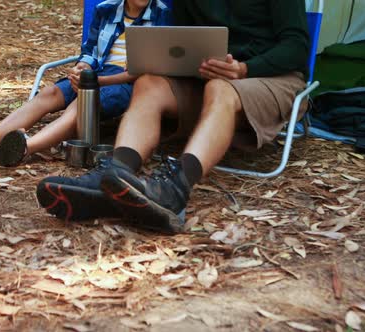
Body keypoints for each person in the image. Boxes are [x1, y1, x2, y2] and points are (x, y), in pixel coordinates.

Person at [36, 0, 310, 233]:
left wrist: (244, 69)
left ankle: (176, 189)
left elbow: (297, 46)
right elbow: (183, 40)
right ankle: (115, 174)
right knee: (149, 82)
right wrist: (185, 64)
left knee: (220, 88)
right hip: (209, 77)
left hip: (269, 76)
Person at [0, 0, 171, 167]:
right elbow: (90, 52)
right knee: (50, 92)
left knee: (82, 103)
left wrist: (95, 82)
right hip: (96, 73)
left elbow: (146, 68)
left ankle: (26, 148)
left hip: (128, 82)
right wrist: (81, 69)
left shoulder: (163, 15)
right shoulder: (106, 10)